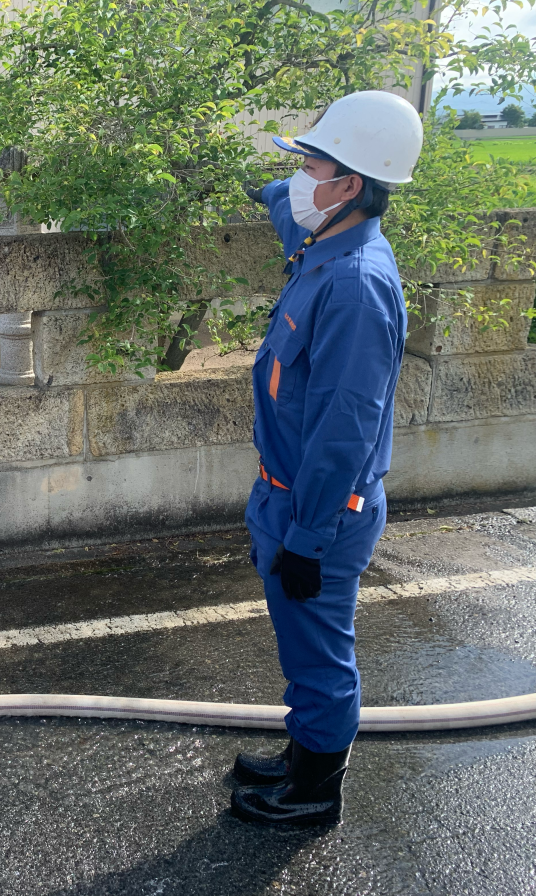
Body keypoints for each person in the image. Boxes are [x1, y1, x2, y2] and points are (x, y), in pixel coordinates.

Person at [231, 91, 424, 826]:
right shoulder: (324, 244)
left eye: (312, 165)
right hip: (284, 494)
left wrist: (308, 539)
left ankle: (314, 792)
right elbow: (283, 202)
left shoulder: (355, 285)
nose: (299, 178)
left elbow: (346, 428)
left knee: (319, 655)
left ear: (349, 185)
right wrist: (268, 184)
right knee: (302, 646)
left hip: (320, 511)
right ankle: (301, 753)